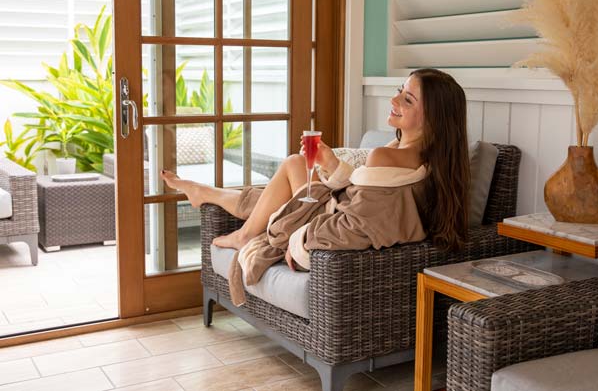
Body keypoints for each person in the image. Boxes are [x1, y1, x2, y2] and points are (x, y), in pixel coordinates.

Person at [161, 68, 469, 296]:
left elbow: (358, 223)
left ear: (433, 116)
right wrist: (331, 163)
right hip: (337, 206)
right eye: (399, 90)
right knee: (293, 170)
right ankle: (207, 194)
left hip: (330, 222)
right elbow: (371, 198)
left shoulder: (385, 156)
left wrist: (299, 243)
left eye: (407, 99)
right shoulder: (425, 155)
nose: (394, 100)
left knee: (287, 181)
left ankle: (239, 229)